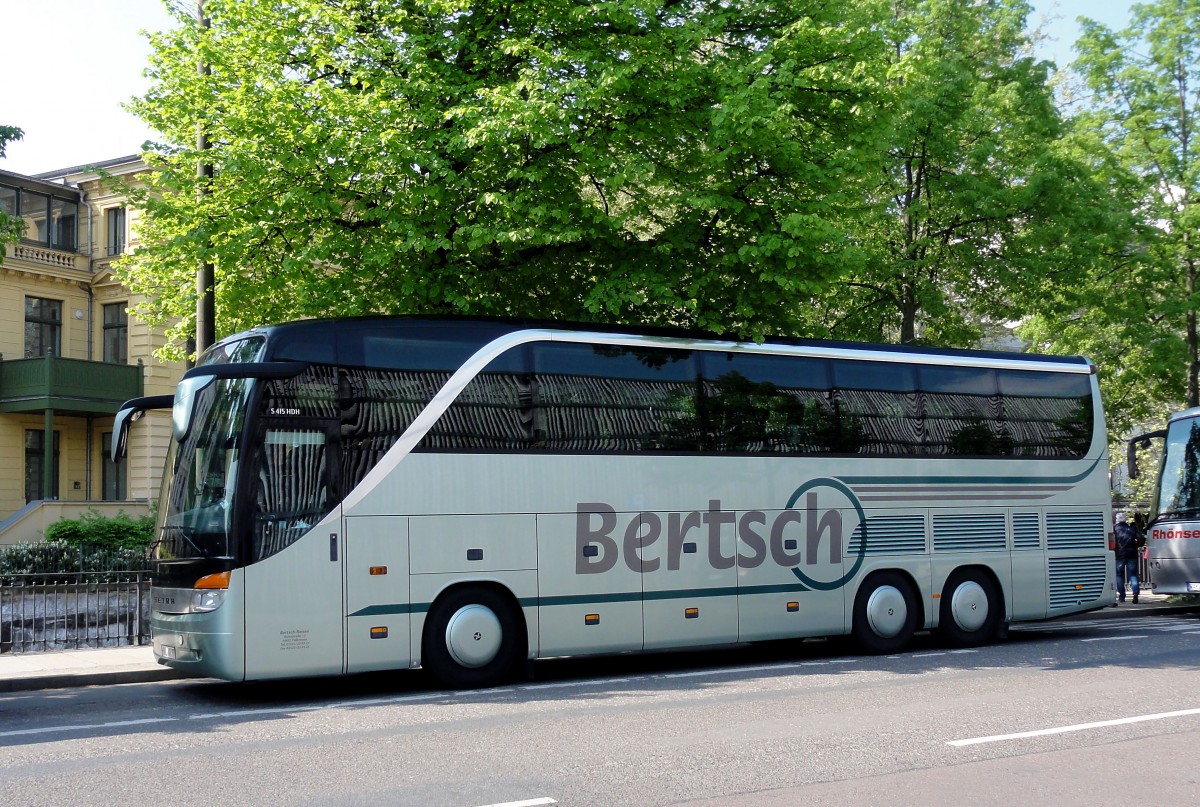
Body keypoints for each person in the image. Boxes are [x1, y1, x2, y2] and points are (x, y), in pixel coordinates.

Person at [1113, 512, 1146, 605]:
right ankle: (1135, 593)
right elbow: (1141, 539)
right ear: (1125, 519)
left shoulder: (1114, 529)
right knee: (1133, 574)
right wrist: (1136, 545)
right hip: (1132, 554)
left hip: (1119, 555)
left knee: (1119, 575)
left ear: (1117, 520)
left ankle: (1122, 596)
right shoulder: (1132, 528)